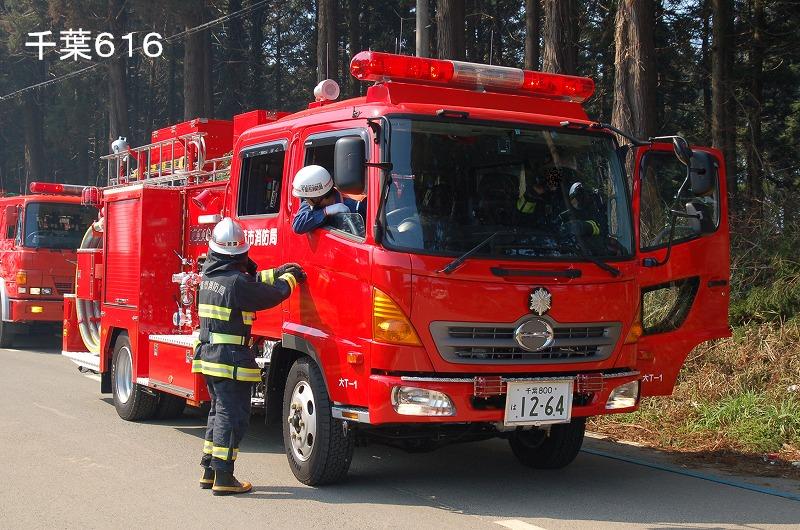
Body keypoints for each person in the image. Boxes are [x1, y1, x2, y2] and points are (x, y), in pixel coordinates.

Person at [191, 217, 306, 496]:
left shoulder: (210, 276)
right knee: (232, 417)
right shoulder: (236, 282)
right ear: (240, 252)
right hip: (229, 359)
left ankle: (209, 471)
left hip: (209, 356)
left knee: (217, 413)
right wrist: (289, 279)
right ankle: (224, 477)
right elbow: (265, 294)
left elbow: (250, 282)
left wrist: (276, 270)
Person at [291, 165, 366, 234]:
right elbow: (298, 226)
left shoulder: (357, 204)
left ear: (317, 198)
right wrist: (325, 211)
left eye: (306, 198)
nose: (305, 200)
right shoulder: (311, 203)